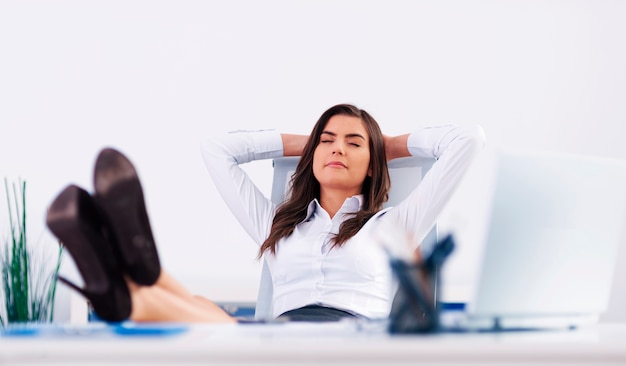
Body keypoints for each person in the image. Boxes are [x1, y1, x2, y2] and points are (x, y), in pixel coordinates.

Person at [47, 103, 484, 323]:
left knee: (210, 320)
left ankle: (127, 278)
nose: (337, 148)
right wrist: (308, 140)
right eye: (327, 140)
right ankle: (132, 273)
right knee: (204, 308)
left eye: (354, 143)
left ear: (373, 164)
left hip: (354, 347)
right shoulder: (279, 224)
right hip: (278, 340)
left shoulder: (396, 225)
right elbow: (217, 150)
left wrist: (388, 145)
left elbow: (466, 141)